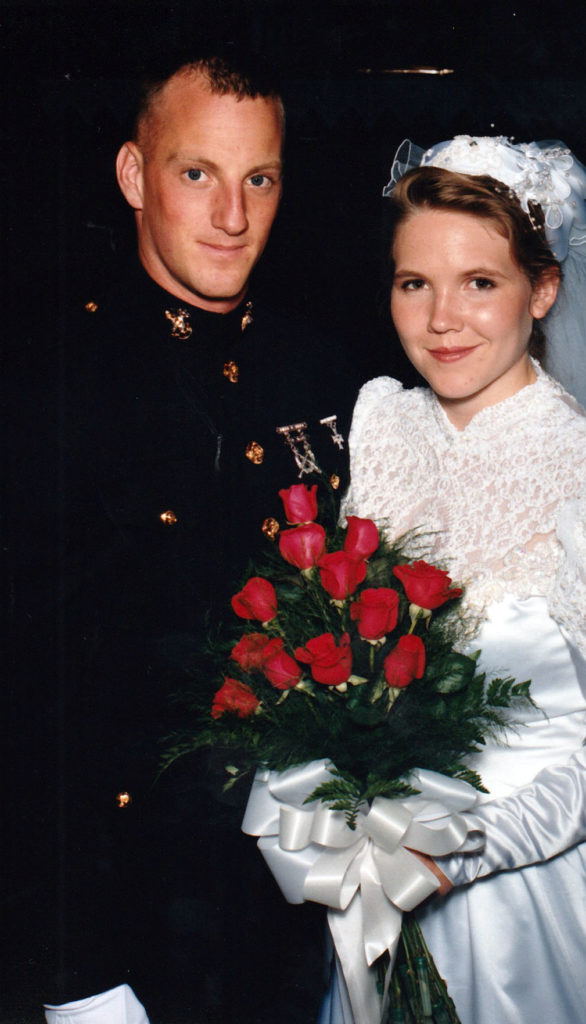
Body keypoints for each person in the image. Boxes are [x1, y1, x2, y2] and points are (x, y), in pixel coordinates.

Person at [319, 136, 586, 1022]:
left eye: (479, 282)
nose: (442, 317)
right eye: (415, 283)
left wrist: (464, 852)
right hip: (371, 887)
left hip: (547, 907)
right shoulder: (382, 426)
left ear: (545, 289)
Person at [48, 53, 359, 1020]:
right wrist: (69, 970)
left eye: (257, 179)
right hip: (125, 917)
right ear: (135, 177)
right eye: (198, 175)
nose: (234, 216)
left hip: (296, 918)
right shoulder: (53, 376)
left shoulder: (328, 364)